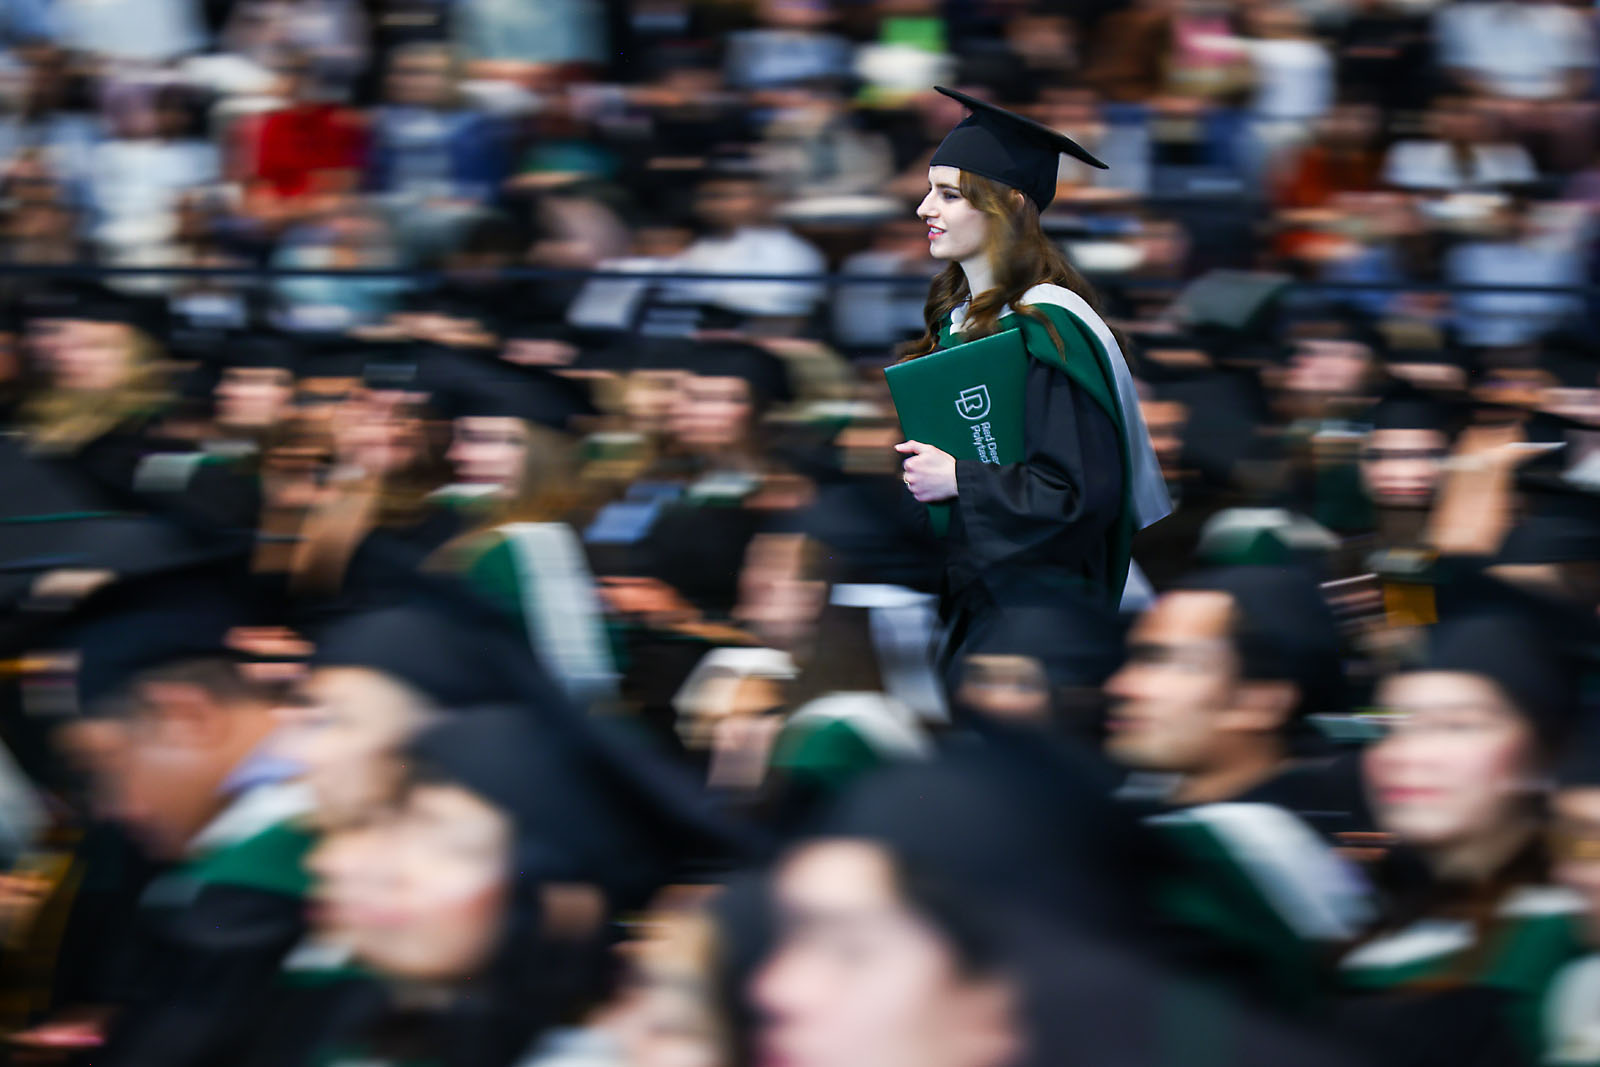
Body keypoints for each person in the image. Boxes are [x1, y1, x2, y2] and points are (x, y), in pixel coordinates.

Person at [893, 86, 1169, 683]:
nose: (923, 209)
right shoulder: (962, 320)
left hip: (1040, 620)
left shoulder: (1049, 326)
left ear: (1009, 203)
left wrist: (956, 478)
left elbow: (1079, 495)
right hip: (983, 595)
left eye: (948, 194)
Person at [1338, 612, 1588, 1065]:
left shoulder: (1566, 944)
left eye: (1457, 725)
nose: (1407, 755)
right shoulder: (1373, 928)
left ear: (1542, 756)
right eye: (1387, 729)